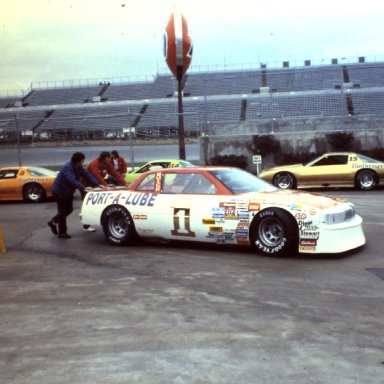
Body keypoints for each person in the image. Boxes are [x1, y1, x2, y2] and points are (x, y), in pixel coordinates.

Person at [48, 152, 100, 239]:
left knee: (69, 209)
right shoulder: (67, 168)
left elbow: (88, 176)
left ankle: (53, 222)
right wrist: (84, 188)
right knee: (63, 211)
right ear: (79, 161)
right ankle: (62, 233)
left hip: (68, 192)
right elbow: (72, 181)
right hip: (59, 191)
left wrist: (97, 185)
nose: (83, 162)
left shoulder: (79, 168)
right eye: (83, 160)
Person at [81, 151, 128, 231]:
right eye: (110, 158)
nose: (111, 160)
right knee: (87, 203)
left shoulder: (108, 164)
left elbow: (115, 173)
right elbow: (97, 176)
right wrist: (106, 185)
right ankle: (86, 226)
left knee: (96, 203)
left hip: (96, 185)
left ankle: (95, 220)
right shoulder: (94, 164)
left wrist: (125, 183)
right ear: (106, 158)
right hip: (85, 185)